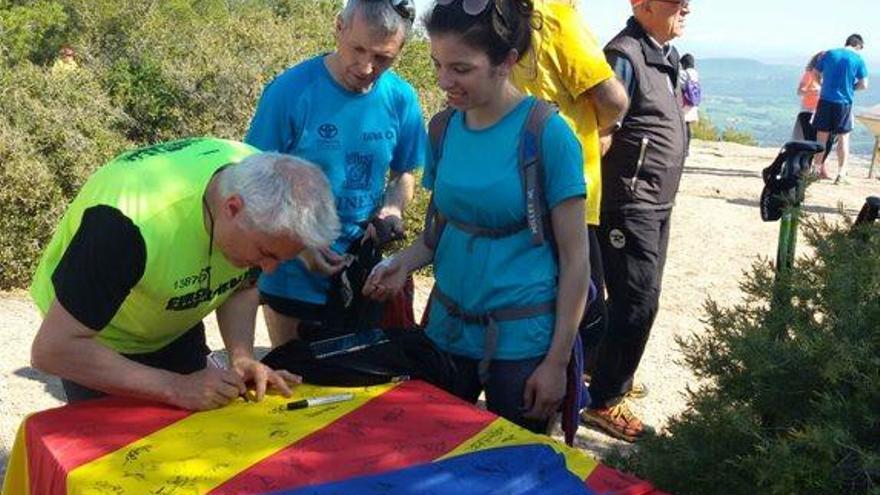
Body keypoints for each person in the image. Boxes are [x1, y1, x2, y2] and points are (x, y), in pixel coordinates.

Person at [364, 0, 589, 434]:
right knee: (428, 451)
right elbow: (437, 234)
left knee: (516, 466)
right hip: (446, 331)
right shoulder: (443, 129)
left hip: (522, 343)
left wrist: (557, 363)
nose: (444, 80)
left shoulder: (547, 135)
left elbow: (577, 260)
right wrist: (399, 265)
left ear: (506, 61)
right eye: (437, 64)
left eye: (461, 69)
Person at [30, 138, 340, 410]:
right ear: (232, 208)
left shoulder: (260, 179)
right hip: (98, 339)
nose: (269, 269)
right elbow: (54, 350)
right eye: (265, 253)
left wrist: (242, 357)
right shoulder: (127, 223)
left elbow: (241, 288)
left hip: (172, 315)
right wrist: (175, 387)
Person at [246, 0, 427, 347]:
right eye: (358, 48)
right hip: (291, 271)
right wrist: (300, 246)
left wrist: (392, 209)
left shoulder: (401, 99)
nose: (366, 66)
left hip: (364, 269)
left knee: (355, 386)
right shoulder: (289, 91)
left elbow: (404, 172)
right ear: (339, 27)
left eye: (383, 58)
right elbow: (253, 180)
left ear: (401, 50)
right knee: (296, 380)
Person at [579, 0, 690, 442]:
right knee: (637, 302)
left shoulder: (664, 56)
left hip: (656, 201)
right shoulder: (624, 55)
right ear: (641, 5)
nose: (686, 8)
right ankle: (605, 399)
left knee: (637, 297)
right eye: (676, 2)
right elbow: (601, 132)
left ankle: (602, 374)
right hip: (629, 203)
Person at [509, 0, 628, 381]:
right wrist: (605, 129)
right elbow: (612, 97)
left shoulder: (490, 12)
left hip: (511, 177)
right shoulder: (555, 14)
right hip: (568, 181)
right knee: (580, 306)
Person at [812, 34, 869, 184]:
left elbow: (815, 73)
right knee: (843, 137)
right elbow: (864, 84)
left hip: (825, 100)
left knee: (821, 137)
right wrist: (851, 88)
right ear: (858, 45)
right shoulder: (858, 59)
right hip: (844, 102)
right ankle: (841, 173)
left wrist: (822, 84)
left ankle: (816, 170)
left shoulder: (830, 54)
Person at [792, 52, 823, 142]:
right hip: (808, 112)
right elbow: (800, 91)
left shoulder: (826, 76)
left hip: (820, 113)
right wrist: (814, 92)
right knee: (810, 141)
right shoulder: (809, 74)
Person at [679, 53, 700, 140]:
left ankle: (684, 146)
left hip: (685, 100)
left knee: (683, 124)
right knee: (687, 125)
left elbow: (679, 84)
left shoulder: (683, 73)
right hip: (692, 101)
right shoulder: (695, 73)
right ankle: (687, 146)